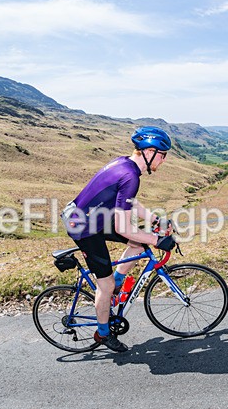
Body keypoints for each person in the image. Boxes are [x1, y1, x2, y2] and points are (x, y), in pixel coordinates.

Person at [62, 126, 177, 352]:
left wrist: (154, 220)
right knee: (104, 285)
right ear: (150, 151)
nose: (163, 161)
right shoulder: (131, 175)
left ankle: (116, 282)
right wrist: (157, 240)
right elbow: (122, 227)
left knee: (138, 242)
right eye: (162, 156)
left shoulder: (125, 164)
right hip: (84, 228)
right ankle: (103, 333)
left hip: (92, 217)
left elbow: (128, 201)